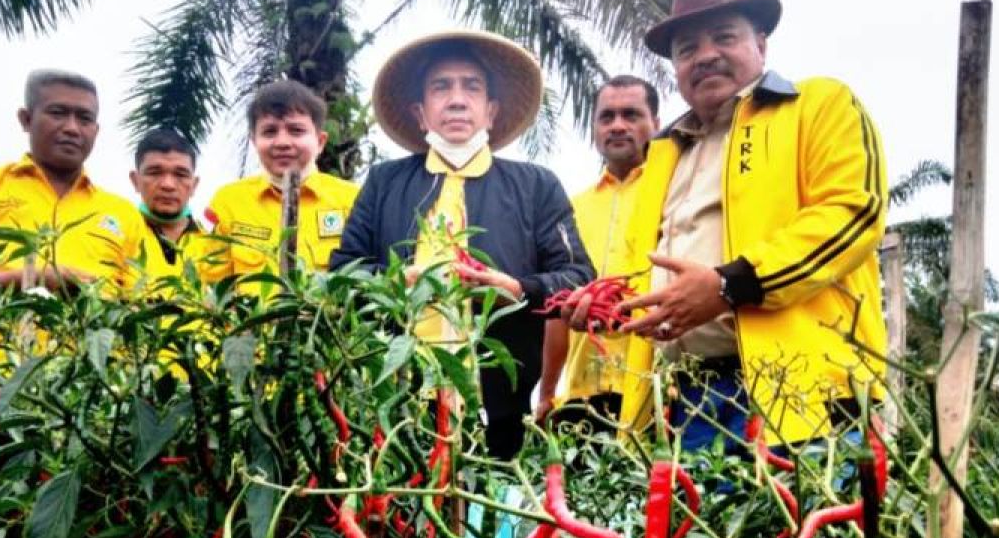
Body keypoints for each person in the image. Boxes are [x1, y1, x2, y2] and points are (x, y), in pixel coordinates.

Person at [568, 0, 888, 450]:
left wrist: (729, 285)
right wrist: (613, 308)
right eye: (687, 49)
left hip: (802, 398)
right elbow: (645, 269)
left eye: (724, 37)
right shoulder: (665, 154)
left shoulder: (818, 104)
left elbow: (851, 214)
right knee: (694, 531)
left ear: (760, 43)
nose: (705, 56)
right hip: (680, 406)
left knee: (800, 526)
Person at [330, 30, 594, 459]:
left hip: (505, 408)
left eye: (472, 87)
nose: (457, 99)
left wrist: (514, 290)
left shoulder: (535, 186)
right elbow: (342, 275)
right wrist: (398, 280)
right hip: (396, 406)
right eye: (441, 87)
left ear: (491, 111)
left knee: (494, 518)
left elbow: (578, 277)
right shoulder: (383, 183)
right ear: (420, 113)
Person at [0, 69, 144, 294]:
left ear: (96, 131)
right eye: (58, 113)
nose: (72, 128)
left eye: (84, 118)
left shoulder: (123, 213)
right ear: (26, 119)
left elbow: (139, 306)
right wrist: (30, 278)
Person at [536, 75, 659, 431]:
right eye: (607, 117)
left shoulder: (675, 194)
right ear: (594, 128)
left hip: (655, 392)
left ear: (656, 123)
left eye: (631, 114)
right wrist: (547, 392)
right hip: (580, 396)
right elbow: (556, 309)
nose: (618, 125)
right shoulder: (570, 209)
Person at [205, 80, 358, 286]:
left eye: (296, 130)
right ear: (254, 141)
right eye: (269, 132)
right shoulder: (229, 202)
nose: (283, 143)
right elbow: (211, 291)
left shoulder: (352, 200)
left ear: (320, 142)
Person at [128, 127, 214, 294]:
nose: (168, 185)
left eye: (180, 175)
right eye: (155, 173)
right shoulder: (117, 237)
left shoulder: (213, 246)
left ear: (194, 185)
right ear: (135, 180)